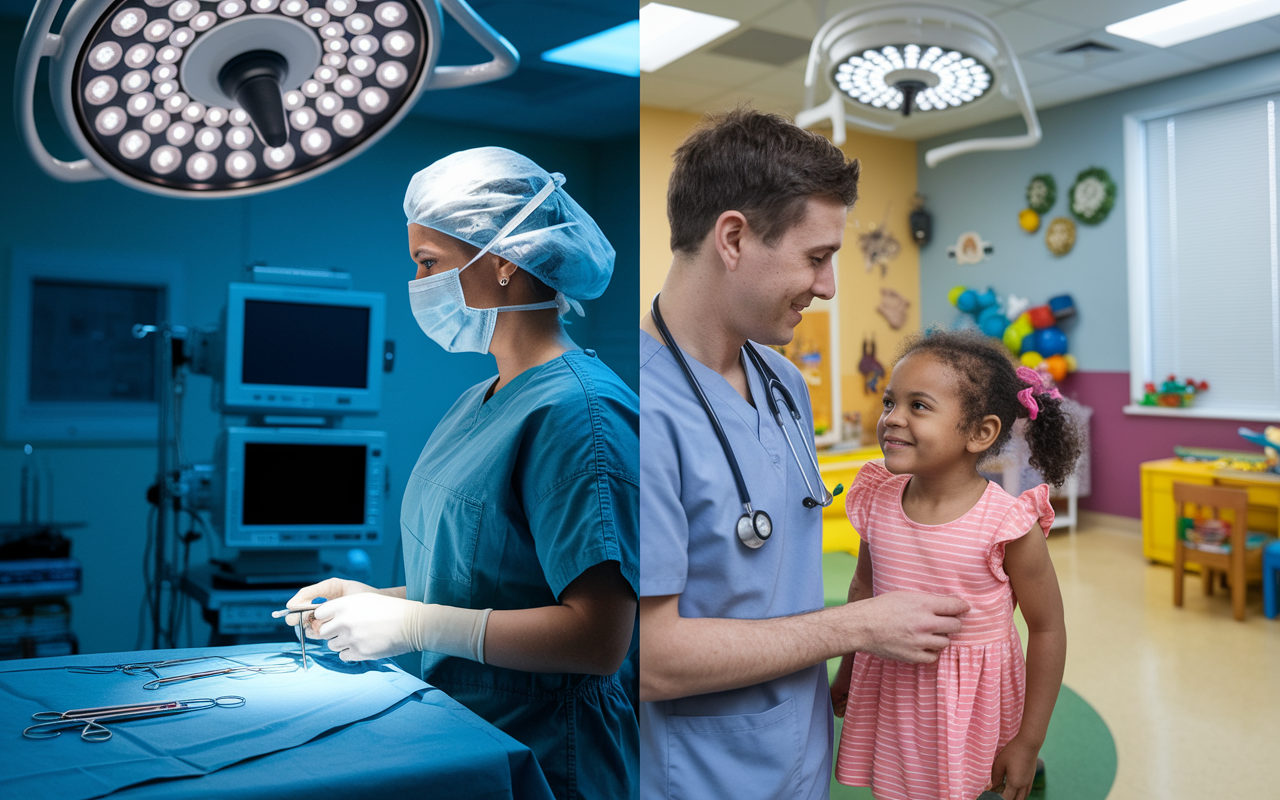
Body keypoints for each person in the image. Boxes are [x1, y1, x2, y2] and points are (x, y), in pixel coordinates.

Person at [285, 146, 639, 800]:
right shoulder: (478, 401)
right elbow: (489, 585)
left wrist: (415, 626)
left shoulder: (579, 413)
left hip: (550, 759)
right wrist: (374, 603)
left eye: (429, 263)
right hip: (466, 740)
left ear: (502, 261)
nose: (418, 284)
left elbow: (599, 639)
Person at [638, 108, 971, 799]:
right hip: (701, 773)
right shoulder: (632, 412)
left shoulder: (784, 382)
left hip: (802, 754)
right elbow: (652, 659)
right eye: (816, 258)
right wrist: (857, 627)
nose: (828, 287)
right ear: (733, 238)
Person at [831, 329, 1078, 800]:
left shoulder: (1007, 524)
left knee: (976, 788)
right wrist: (846, 671)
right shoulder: (877, 498)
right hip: (894, 689)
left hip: (971, 707)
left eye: (918, 406)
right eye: (889, 403)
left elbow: (1048, 628)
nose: (892, 419)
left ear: (979, 432)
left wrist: (1029, 740)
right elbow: (863, 592)